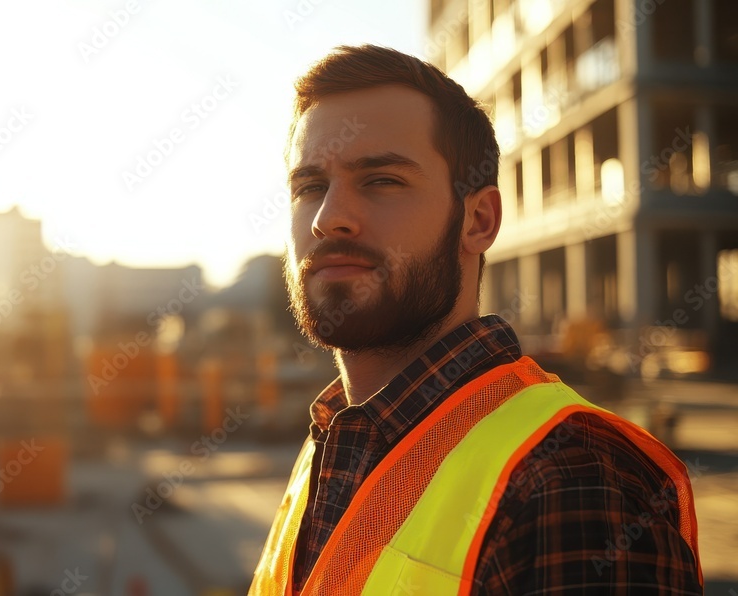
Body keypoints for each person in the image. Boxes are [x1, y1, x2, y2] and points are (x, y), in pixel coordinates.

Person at [249, 45, 702, 595]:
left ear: (479, 220)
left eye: (382, 180)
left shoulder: (570, 482)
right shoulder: (330, 445)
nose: (328, 218)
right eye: (309, 187)